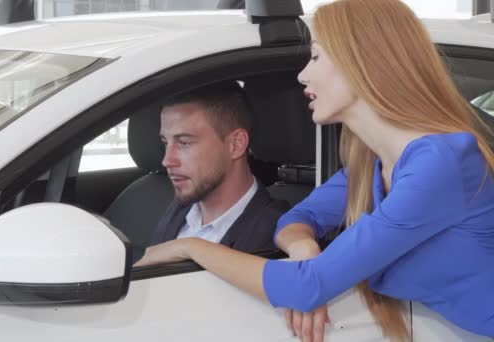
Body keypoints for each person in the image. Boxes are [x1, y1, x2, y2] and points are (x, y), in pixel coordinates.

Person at [135, 0, 494, 341]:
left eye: (316, 57)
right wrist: (303, 245)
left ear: (363, 65)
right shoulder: (370, 162)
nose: (303, 75)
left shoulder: (440, 163)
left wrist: (191, 247)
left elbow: (307, 287)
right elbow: (299, 216)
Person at [148, 81, 289, 253]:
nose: (167, 161)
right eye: (165, 142)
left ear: (236, 145)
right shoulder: (180, 210)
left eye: (184, 143)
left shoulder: (277, 234)